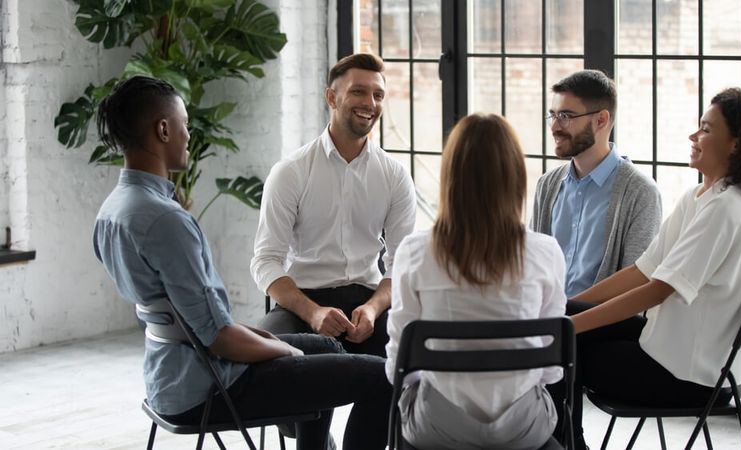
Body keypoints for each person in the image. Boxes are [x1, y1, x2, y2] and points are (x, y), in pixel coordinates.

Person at [92, 76, 391, 450]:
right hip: (212, 386)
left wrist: (269, 340)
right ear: (163, 130)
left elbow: (193, 322)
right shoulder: (166, 220)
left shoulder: (113, 211)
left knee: (327, 347)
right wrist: (285, 351)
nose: (188, 135)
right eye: (185, 125)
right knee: (384, 376)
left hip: (168, 377)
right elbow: (220, 339)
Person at [550, 87, 741, 448]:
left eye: (706, 129)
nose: (693, 136)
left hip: (686, 376)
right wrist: (570, 308)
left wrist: (569, 327)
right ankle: (567, 441)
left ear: (736, 145)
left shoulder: (726, 209)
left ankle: (568, 444)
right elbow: (643, 270)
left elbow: (657, 290)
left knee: (562, 348)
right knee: (559, 318)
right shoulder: (700, 197)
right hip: (662, 347)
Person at [386, 113, 567, 450]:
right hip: (522, 429)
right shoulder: (546, 252)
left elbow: (399, 366)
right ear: (515, 178)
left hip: (436, 427)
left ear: (450, 177)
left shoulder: (414, 252)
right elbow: (552, 370)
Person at [250, 53, 416, 357]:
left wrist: (373, 307)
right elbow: (266, 260)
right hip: (303, 302)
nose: (370, 103)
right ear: (331, 97)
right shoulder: (291, 172)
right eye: (358, 91)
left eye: (378, 95)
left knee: (413, 349)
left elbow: (401, 263)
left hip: (370, 302)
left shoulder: (395, 176)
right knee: (269, 358)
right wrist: (313, 313)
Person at [530, 70, 662, 298]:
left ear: (601, 120)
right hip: (545, 315)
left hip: (601, 320)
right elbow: (533, 264)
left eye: (566, 116)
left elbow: (635, 286)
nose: (554, 127)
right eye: (553, 115)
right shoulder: (547, 185)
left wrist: (570, 314)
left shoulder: (641, 192)